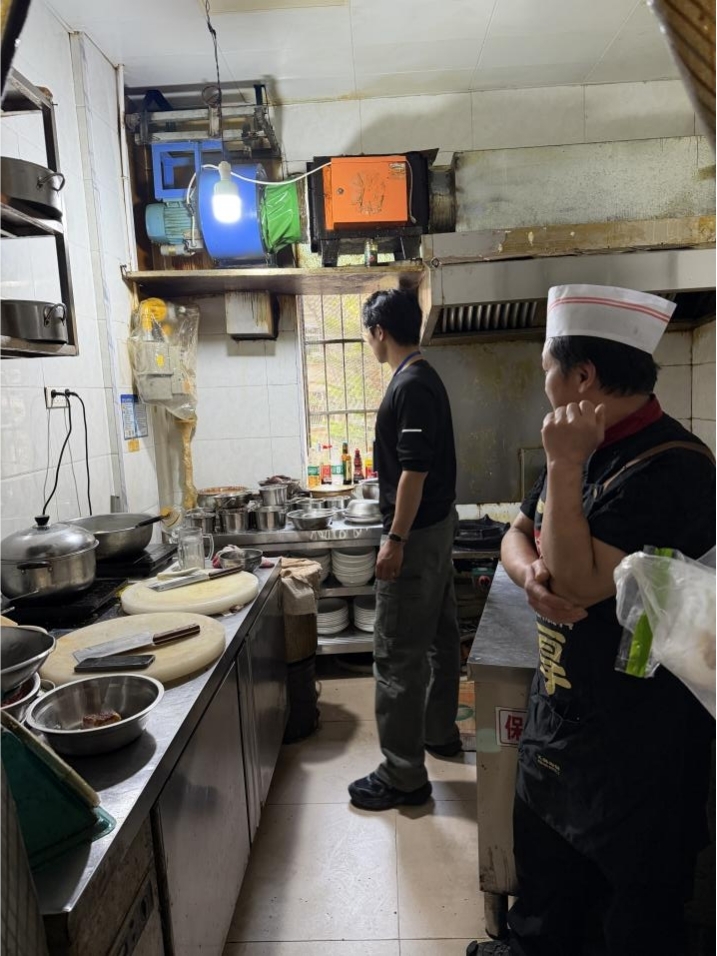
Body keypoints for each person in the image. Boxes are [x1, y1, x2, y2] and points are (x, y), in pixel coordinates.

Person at [470, 284, 715, 956]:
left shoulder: (674, 466)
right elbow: (515, 533)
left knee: (630, 918)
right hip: (562, 714)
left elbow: (578, 581)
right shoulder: (583, 442)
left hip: (638, 745)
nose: (542, 381)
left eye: (546, 367)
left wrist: (563, 463)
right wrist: (530, 576)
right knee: (547, 891)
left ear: (582, 377)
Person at [348, 288, 462, 812]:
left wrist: (395, 539)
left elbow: (414, 471)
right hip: (436, 530)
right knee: (439, 638)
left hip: (415, 537)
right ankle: (439, 733)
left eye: (368, 334)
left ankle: (403, 775)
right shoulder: (423, 377)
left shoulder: (411, 384)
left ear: (380, 332)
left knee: (396, 654)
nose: (369, 342)